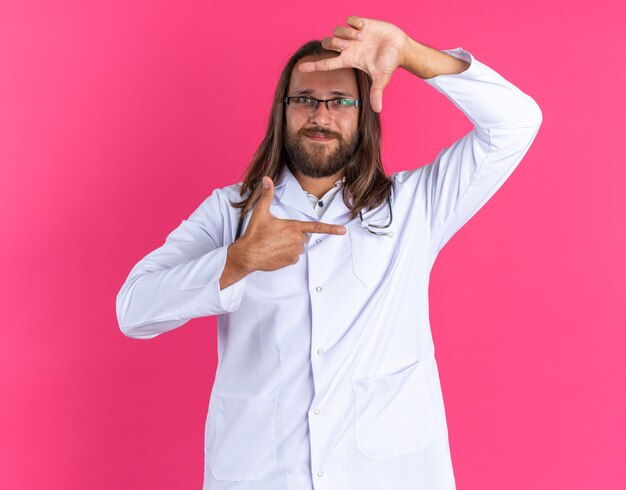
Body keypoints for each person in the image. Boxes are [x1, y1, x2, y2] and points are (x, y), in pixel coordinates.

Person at [116, 15, 542, 490]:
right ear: (283, 110)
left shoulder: (415, 207)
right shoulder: (230, 211)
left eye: (340, 101)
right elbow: (133, 310)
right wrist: (237, 260)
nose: (320, 116)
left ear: (365, 114)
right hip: (262, 476)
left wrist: (408, 53)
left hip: (386, 476)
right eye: (305, 100)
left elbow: (516, 122)